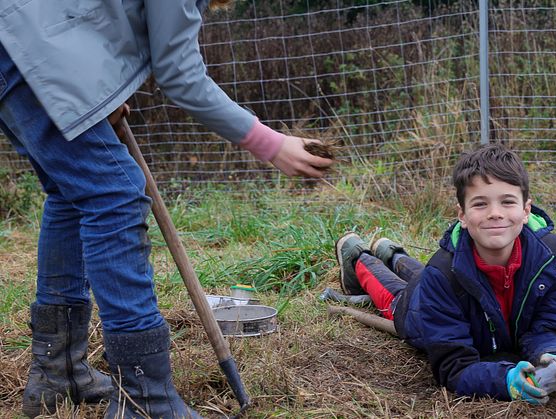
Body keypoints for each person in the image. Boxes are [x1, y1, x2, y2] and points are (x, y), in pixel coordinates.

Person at [0, 0, 333, 417]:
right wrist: (271, 144)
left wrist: (99, 91)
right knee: (114, 195)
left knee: (73, 192)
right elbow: (181, 76)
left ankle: (58, 372)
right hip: (28, 51)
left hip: (18, 42)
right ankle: (144, 398)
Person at [335, 143, 556, 404]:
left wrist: (555, 355)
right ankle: (358, 257)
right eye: (480, 204)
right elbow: (454, 366)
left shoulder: (553, 255)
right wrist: (504, 381)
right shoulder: (440, 276)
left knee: (430, 273)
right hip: (418, 309)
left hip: (445, 276)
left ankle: (392, 254)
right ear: (462, 215)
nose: (495, 213)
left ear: (526, 210)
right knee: (397, 295)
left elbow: (551, 325)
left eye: (507, 202)